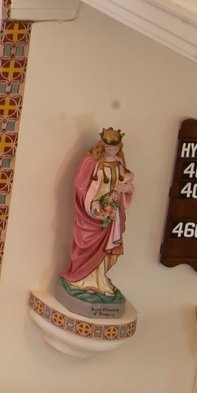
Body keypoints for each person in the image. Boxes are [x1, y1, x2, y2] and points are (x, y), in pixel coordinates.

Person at [58, 127, 134, 310]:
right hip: (92, 215)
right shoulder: (91, 162)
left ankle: (100, 283)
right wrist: (94, 205)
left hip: (111, 213)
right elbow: (81, 187)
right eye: (109, 149)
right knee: (87, 245)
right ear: (102, 145)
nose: (113, 152)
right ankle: (81, 281)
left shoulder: (119, 163)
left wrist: (127, 190)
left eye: (115, 150)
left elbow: (126, 183)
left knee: (107, 248)